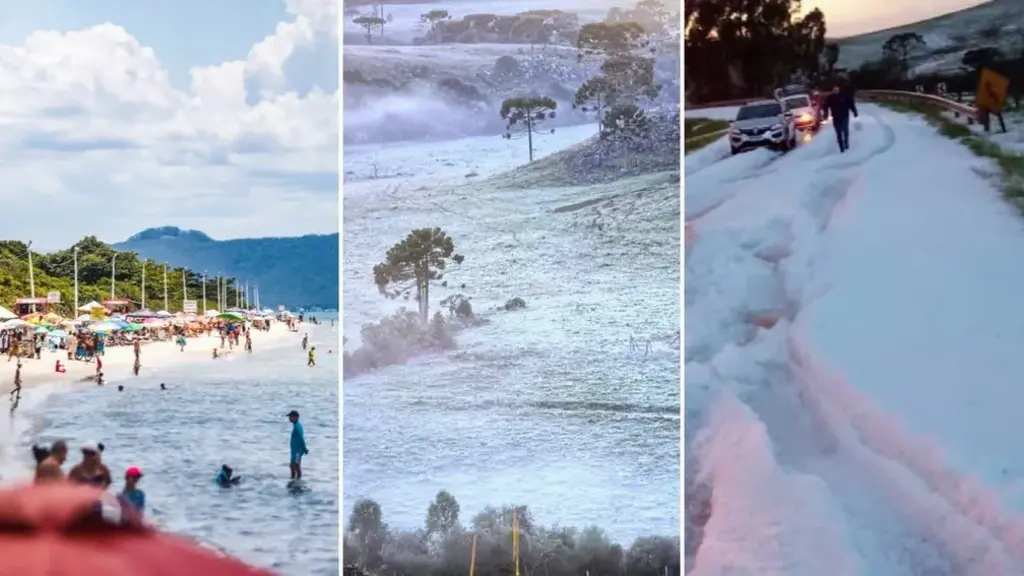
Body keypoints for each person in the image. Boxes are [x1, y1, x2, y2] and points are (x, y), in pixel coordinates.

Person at [821, 82, 858, 153]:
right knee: (838, 133)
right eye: (834, 89)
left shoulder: (845, 96)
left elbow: (851, 104)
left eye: (837, 89)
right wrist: (826, 115)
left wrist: (854, 112)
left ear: (839, 89)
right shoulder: (830, 98)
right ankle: (841, 147)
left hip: (845, 116)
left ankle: (846, 143)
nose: (835, 90)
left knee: (845, 131)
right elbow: (825, 107)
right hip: (836, 118)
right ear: (832, 90)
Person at [288, 410, 308, 480]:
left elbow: (301, 438)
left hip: (297, 451)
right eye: (290, 417)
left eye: (291, 417)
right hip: (294, 451)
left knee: (295, 466)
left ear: (296, 417)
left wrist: (304, 448)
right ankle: (295, 480)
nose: (289, 418)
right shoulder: (296, 426)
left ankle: (295, 480)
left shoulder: (297, 427)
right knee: (293, 465)